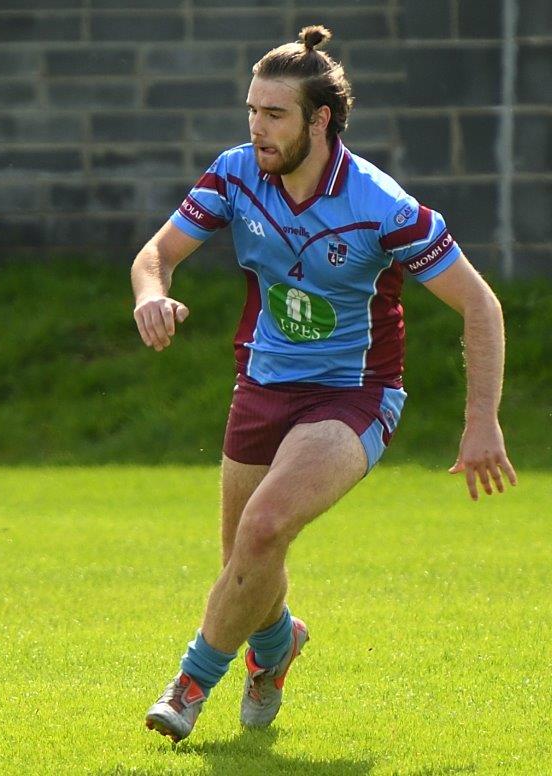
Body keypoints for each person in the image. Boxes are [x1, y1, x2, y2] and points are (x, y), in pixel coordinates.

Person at [131, 27, 517, 743]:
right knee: (246, 562)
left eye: (274, 115)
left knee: (265, 527)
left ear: (321, 120)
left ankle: (188, 686)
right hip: (261, 384)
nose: (257, 128)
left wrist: (481, 421)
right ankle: (277, 648)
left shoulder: (381, 205)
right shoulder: (236, 173)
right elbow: (157, 254)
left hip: (353, 395)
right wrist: (150, 293)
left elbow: (479, 304)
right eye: (251, 110)